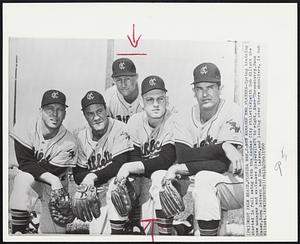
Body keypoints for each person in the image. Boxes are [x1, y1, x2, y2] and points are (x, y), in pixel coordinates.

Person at [165, 62, 244, 236]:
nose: (205, 93)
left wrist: (180, 167)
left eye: (210, 87)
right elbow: (184, 156)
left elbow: (222, 164)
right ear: (194, 91)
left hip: (239, 183)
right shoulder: (184, 116)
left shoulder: (232, 110)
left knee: (204, 178)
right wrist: (222, 146)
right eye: (200, 88)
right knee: (202, 182)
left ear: (219, 88)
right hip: (210, 184)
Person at [107, 75, 192, 235]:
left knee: (159, 177)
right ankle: (121, 234)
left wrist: (129, 167)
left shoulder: (174, 120)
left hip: (169, 181)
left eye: (160, 99)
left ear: (166, 100)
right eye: (150, 100)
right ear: (141, 102)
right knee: (116, 185)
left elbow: (165, 161)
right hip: (144, 178)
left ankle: (169, 233)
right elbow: (134, 157)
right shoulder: (135, 121)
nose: (155, 104)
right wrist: (133, 187)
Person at [9, 89, 78, 234]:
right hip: (41, 180)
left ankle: (34, 221)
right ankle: (18, 232)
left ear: (65, 113)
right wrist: (53, 180)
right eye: (50, 109)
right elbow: (25, 163)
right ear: (41, 111)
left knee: (54, 234)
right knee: (23, 178)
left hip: (55, 187)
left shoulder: (69, 141)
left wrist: (53, 181)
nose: (55, 114)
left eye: (59, 109)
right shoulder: (25, 126)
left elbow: (53, 170)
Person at [72, 90, 133, 235]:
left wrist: (91, 176)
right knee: (99, 234)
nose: (96, 117)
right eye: (90, 113)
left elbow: (118, 164)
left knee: (114, 187)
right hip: (98, 191)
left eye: (99, 111)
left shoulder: (120, 128)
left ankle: (129, 223)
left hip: (123, 187)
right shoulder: (80, 136)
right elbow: (78, 174)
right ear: (85, 116)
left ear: (106, 110)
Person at [104, 58, 143, 124]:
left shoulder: (146, 93)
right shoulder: (109, 96)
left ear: (136, 77)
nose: (123, 84)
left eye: (127, 79)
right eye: (119, 80)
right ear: (114, 80)